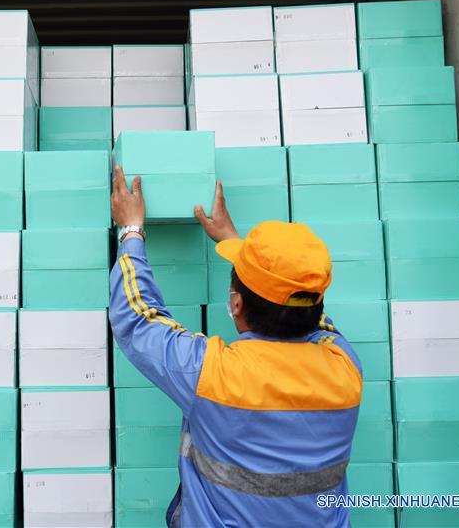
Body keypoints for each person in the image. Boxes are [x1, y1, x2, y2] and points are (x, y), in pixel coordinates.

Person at [109, 166, 362, 528]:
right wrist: (241, 249)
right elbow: (302, 305)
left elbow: (139, 319)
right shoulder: (345, 366)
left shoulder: (216, 376)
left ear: (237, 305)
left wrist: (131, 230)